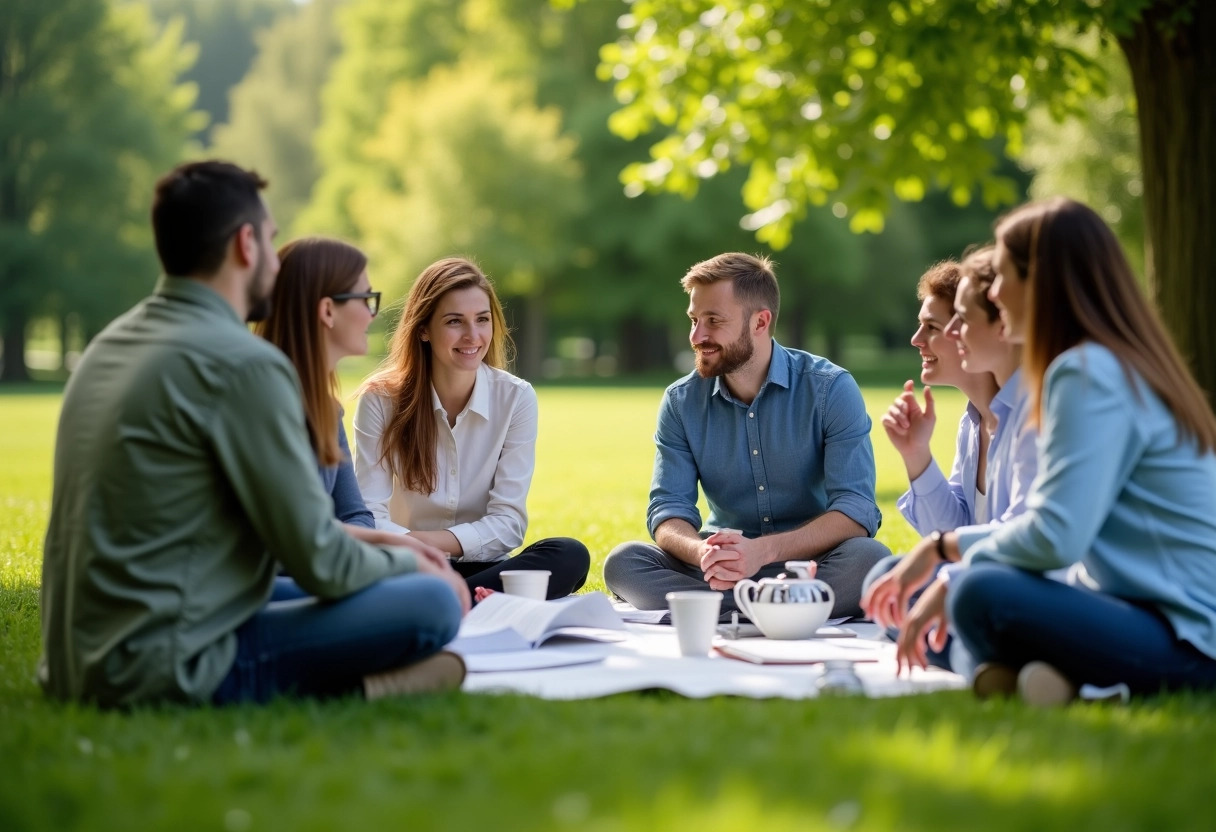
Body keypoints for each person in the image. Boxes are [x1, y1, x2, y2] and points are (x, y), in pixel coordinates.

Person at [39, 161, 470, 709]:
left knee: (384, 589)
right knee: (429, 602)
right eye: (270, 240)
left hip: (81, 658)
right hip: (161, 664)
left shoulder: (109, 346)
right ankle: (360, 689)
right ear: (246, 245)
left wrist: (389, 548)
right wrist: (411, 560)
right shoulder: (244, 365)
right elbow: (322, 561)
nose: (275, 257)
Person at [867, 198, 1216, 705]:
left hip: (1186, 639)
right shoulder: (1102, 365)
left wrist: (944, 552)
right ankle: (1043, 677)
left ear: (1045, 283)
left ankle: (1019, 670)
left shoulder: (1087, 373)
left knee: (976, 593)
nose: (997, 290)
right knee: (909, 587)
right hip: (1130, 611)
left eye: (1005, 275)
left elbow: (1055, 537)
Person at [603, 252, 889, 620]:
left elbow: (856, 510)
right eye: (693, 320)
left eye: (714, 321)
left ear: (760, 321)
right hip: (717, 570)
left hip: (811, 565)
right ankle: (777, 608)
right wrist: (702, 552)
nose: (697, 336)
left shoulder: (830, 389)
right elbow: (668, 510)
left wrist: (762, 552)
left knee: (870, 559)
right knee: (625, 562)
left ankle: (710, 611)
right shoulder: (680, 401)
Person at [353, 257, 589, 599]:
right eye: (454, 321)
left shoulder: (515, 398)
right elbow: (366, 515)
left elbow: (508, 523)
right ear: (423, 329)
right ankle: (470, 602)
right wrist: (418, 551)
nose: (472, 335)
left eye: (482, 319)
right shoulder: (381, 399)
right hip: (404, 564)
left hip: (481, 565)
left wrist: (429, 543)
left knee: (569, 554)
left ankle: (445, 600)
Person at [864, 247, 1038, 666]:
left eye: (932, 327)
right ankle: (977, 656)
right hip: (983, 575)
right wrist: (916, 455)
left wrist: (946, 572)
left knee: (930, 589)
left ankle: (972, 658)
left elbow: (1021, 536)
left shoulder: (1030, 414)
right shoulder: (973, 423)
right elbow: (951, 533)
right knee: (882, 577)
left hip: (1015, 581)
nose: (916, 340)